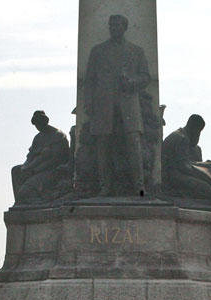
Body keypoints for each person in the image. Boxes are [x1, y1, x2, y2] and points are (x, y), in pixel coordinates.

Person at [83, 13, 150, 196]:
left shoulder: (136, 51)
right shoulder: (98, 51)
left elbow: (146, 77)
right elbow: (89, 80)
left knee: (134, 142)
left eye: (117, 25)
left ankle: (139, 186)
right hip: (103, 104)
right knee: (103, 144)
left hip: (128, 102)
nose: (114, 28)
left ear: (124, 27)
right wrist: (88, 103)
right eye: (111, 25)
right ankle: (104, 186)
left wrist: (131, 83)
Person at [11, 110, 72, 203]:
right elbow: (31, 155)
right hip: (36, 168)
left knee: (25, 192)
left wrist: (34, 171)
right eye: (36, 125)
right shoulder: (38, 137)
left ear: (45, 122)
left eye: (39, 124)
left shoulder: (58, 136)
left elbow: (54, 160)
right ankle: (19, 201)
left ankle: (33, 199)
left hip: (51, 170)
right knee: (16, 170)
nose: (37, 127)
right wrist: (25, 167)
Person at [162, 114, 211, 202]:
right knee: (210, 194)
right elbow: (183, 167)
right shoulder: (181, 139)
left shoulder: (189, 142)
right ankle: (179, 195)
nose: (199, 135)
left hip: (178, 174)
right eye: (198, 131)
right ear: (193, 128)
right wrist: (204, 170)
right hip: (174, 177)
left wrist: (205, 166)